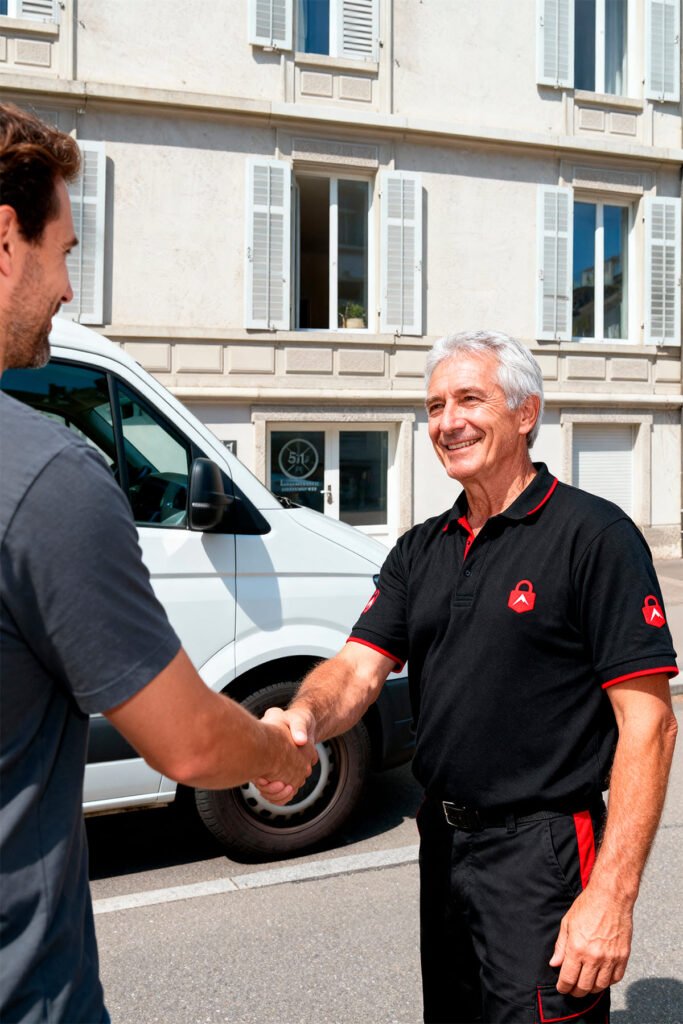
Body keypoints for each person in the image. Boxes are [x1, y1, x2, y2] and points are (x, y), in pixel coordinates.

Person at [255, 329, 679, 1023]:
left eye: (469, 399)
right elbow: (356, 672)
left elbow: (650, 725)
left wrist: (611, 895)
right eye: (434, 406)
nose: (447, 421)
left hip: (542, 855)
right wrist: (300, 720)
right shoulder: (420, 549)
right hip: (444, 847)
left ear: (524, 412)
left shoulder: (592, 536)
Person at [0, 103, 316, 1024]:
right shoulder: (47, 478)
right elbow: (188, 743)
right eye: (63, 251)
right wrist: (271, 749)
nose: (67, 290)